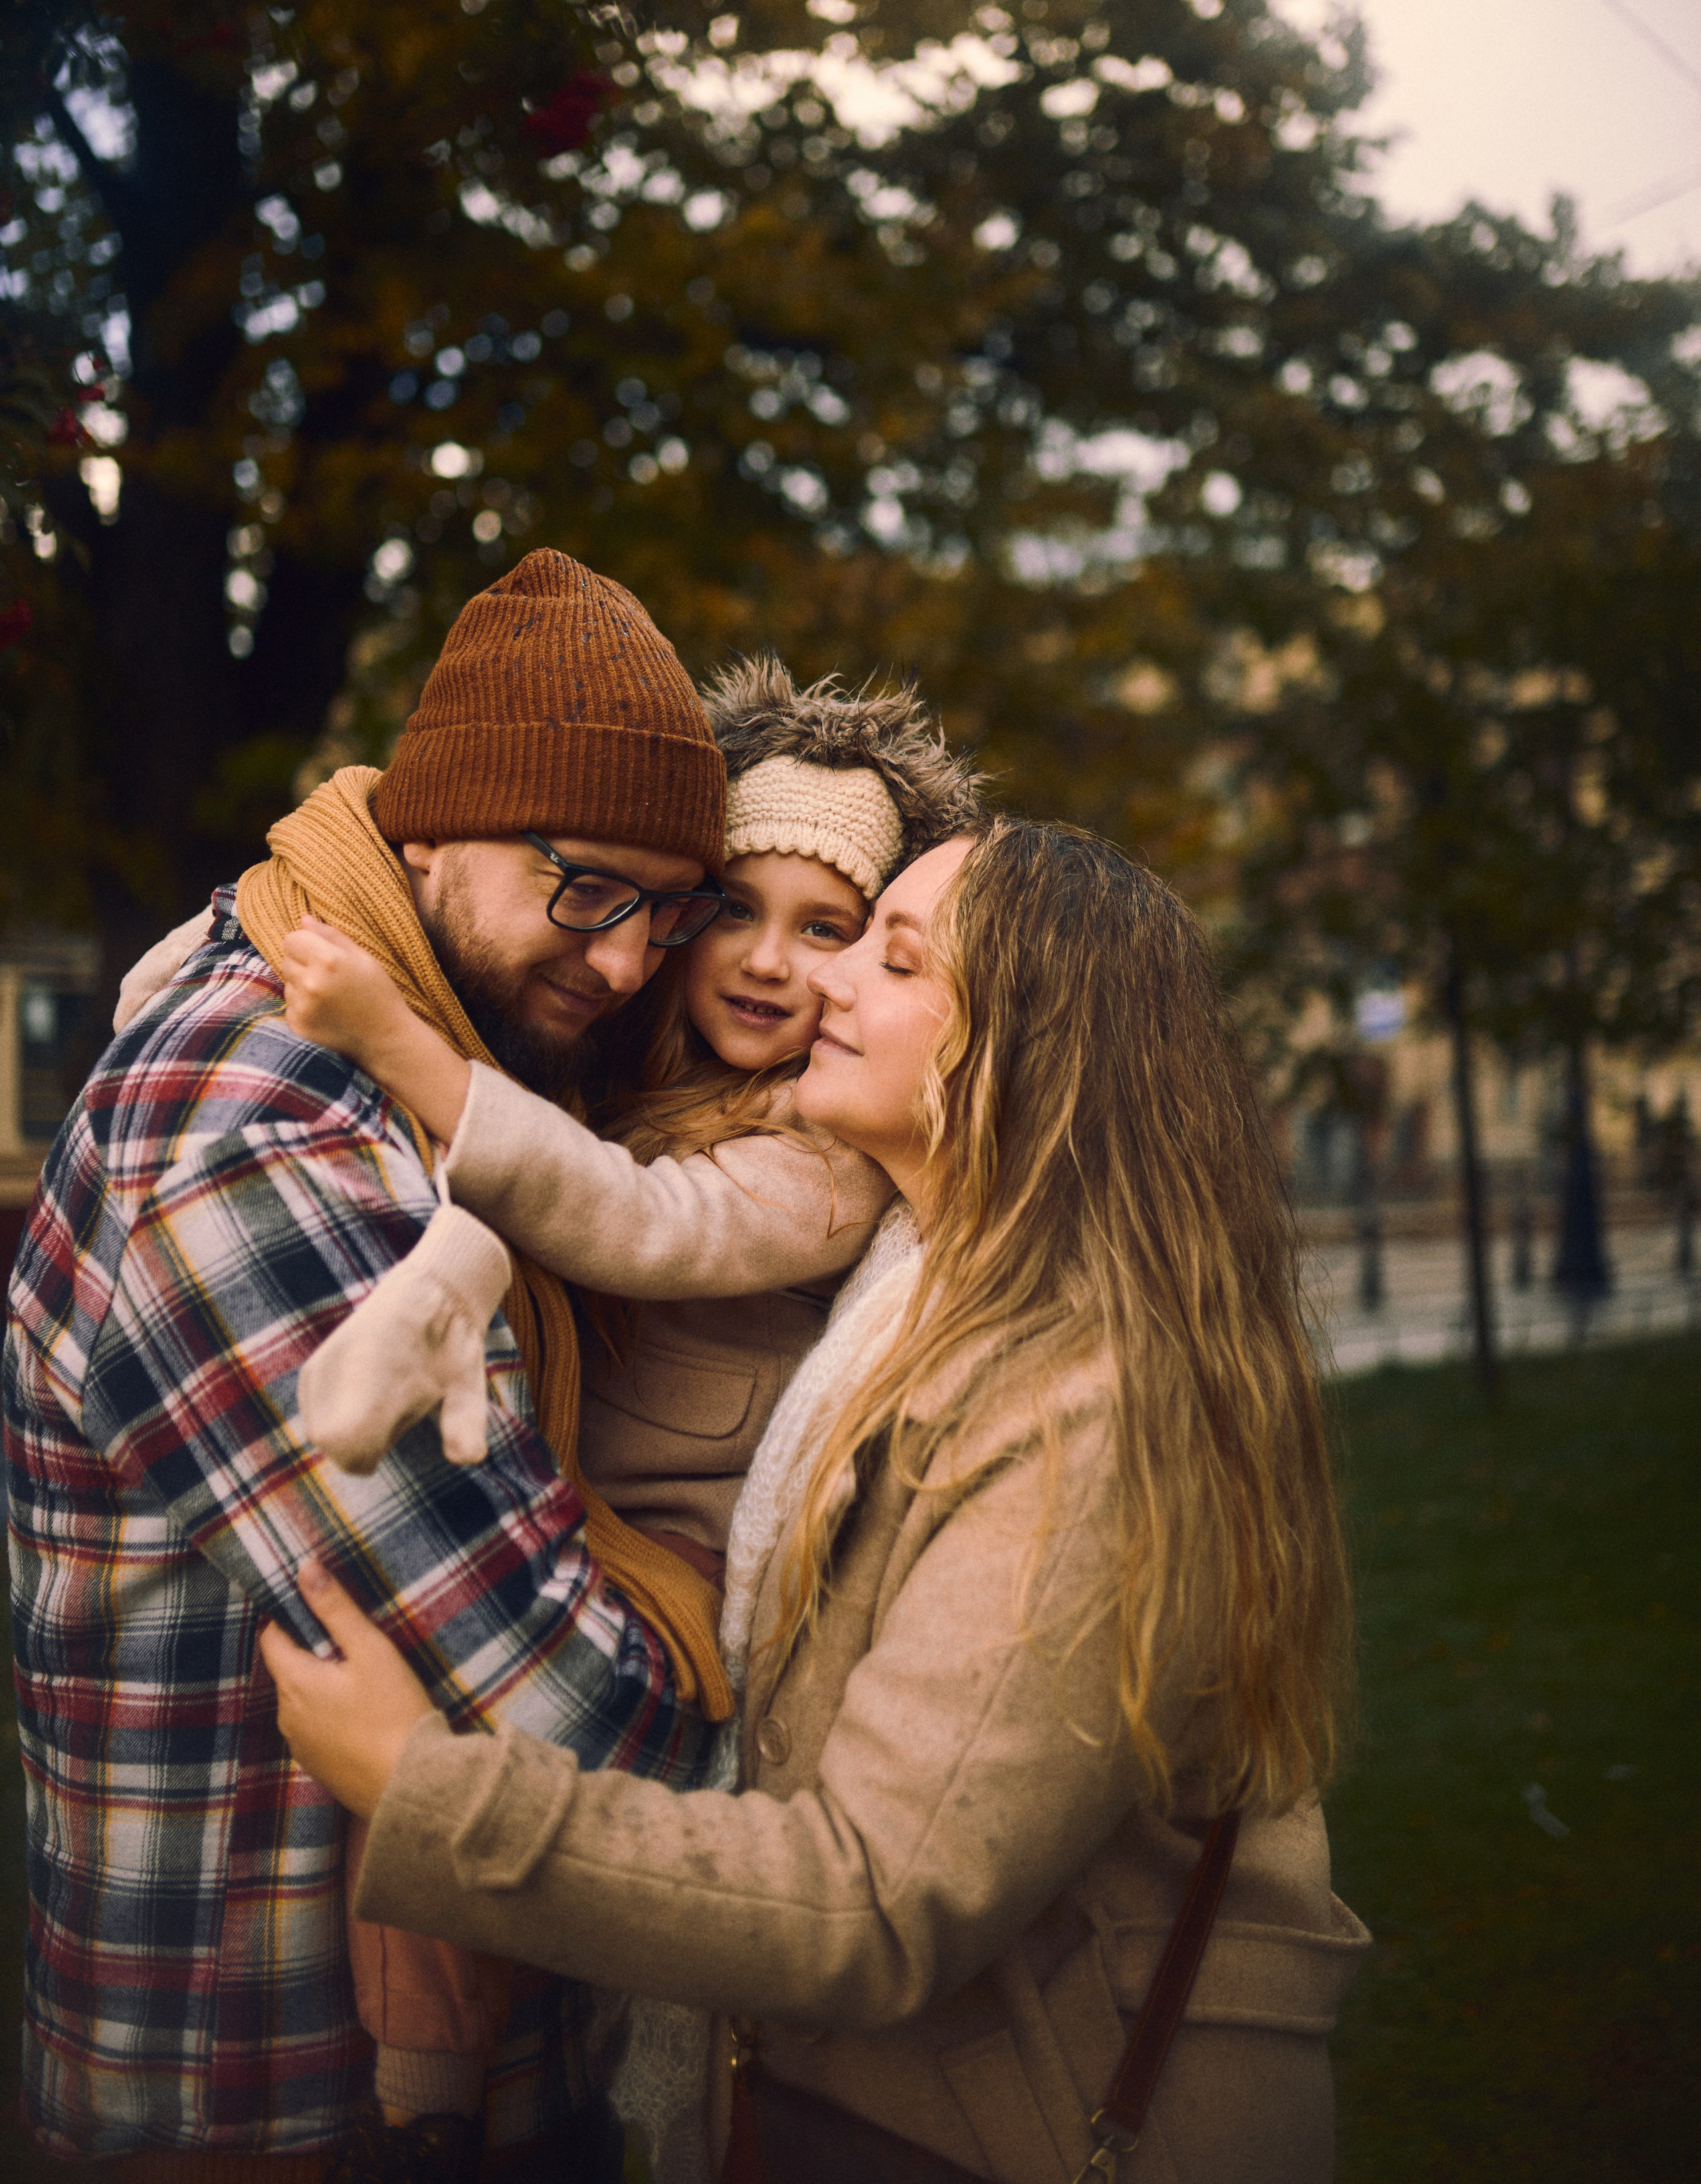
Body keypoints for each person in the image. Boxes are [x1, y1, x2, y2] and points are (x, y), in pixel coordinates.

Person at [263, 820, 1373, 2184]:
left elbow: (876, 1902)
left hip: (1023, 2128)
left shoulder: (1091, 1396)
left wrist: (421, 1792)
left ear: (1026, 1047)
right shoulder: (912, 1292)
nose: (829, 984)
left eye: (891, 958)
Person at [4, 549, 747, 2183]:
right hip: (266, 2112)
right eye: (584, 886)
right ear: (431, 833)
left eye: (666, 906)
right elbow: (574, 1722)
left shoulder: (427, 1070)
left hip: (455, 2097)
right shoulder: (247, 1127)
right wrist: (717, 1564)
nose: (627, 963)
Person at [252, 660, 980, 2161]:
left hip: (686, 1560)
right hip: (576, 1504)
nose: (769, 963)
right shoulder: (641, 1064)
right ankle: (434, 2097)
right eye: (732, 909)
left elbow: (640, 1224)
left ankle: (432, 2122)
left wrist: (400, 1047)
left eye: (827, 930)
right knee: (404, 1730)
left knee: (454, 1758)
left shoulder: (819, 1154)